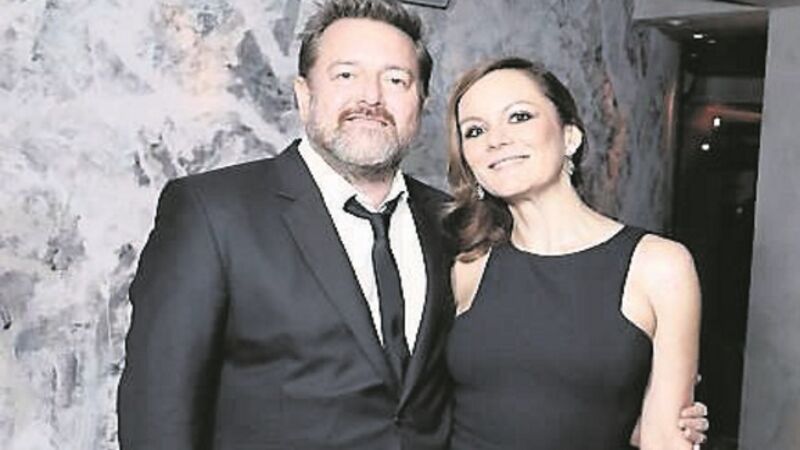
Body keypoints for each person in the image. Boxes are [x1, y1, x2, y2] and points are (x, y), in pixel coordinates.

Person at [117, 0, 709, 448]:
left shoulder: (451, 228)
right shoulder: (213, 211)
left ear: (420, 103)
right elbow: (157, 411)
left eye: (396, 79)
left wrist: (632, 416)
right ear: (303, 94)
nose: (371, 96)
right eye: (346, 75)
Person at [443, 56, 704, 449]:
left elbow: (666, 438)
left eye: (519, 117)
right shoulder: (465, 268)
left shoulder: (659, 266)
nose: (495, 139)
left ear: (570, 137)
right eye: (475, 130)